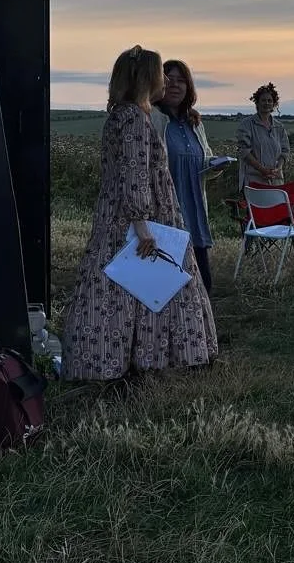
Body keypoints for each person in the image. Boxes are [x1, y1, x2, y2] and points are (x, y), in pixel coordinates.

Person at [62, 47, 217, 380]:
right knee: (145, 284)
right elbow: (135, 173)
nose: (165, 80)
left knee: (122, 288)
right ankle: (145, 358)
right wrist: (142, 224)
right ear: (147, 77)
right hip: (137, 218)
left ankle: (128, 357)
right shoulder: (133, 117)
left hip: (121, 213)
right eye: (161, 73)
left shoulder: (123, 113)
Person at [150, 58, 219, 293]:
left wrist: (215, 165)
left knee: (203, 285)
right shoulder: (152, 119)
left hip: (195, 211)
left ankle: (201, 330)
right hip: (166, 215)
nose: (175, 86)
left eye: (181, 81)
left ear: (189, 87)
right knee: (169, 287)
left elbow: (204, 159)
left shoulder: (195, 123)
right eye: (169, 80)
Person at [237, 82, 290, 193]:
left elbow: (285, 152)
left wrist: (278, 169)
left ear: (274, 104)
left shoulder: (279, 127)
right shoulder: (247, 124)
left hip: (276, 181)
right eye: (263, 100)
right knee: (256, 210)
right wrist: (262, 170)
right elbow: (244, 152)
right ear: (257, 102)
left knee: (276, 210)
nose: (266, 103)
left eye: (269, 101)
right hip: (253, 181)